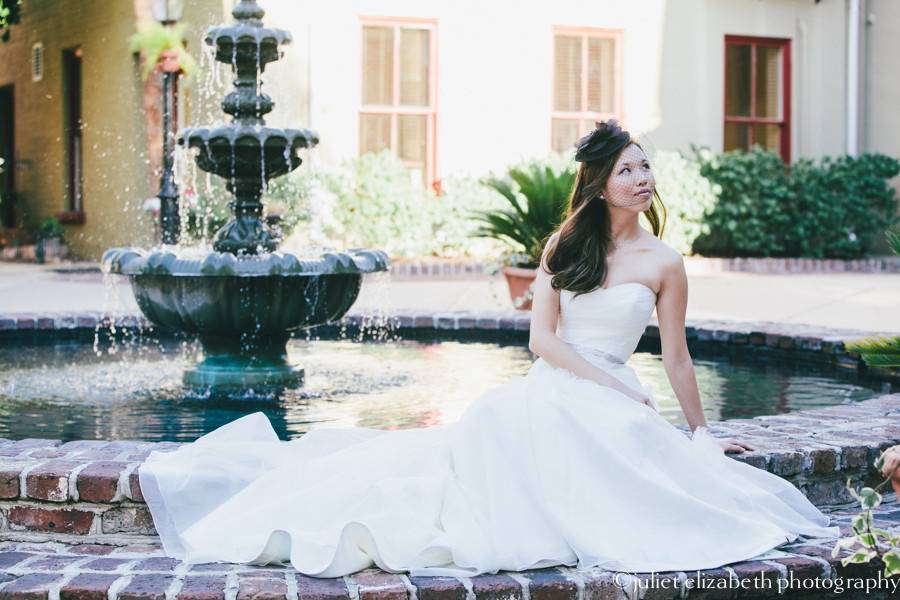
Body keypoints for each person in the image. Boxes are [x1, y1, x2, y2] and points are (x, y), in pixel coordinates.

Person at [139, 120, 840, 579]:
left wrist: (700, 433)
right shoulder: (565, 245)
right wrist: (608, 385)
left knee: (634, 452)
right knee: (505, 428)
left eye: (646, 167)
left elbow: (679, 356)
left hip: (619, 392)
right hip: (563, 382)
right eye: (629, 169)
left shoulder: (665, 263)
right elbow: (541, 340)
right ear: (600, 184)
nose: (642, 178)